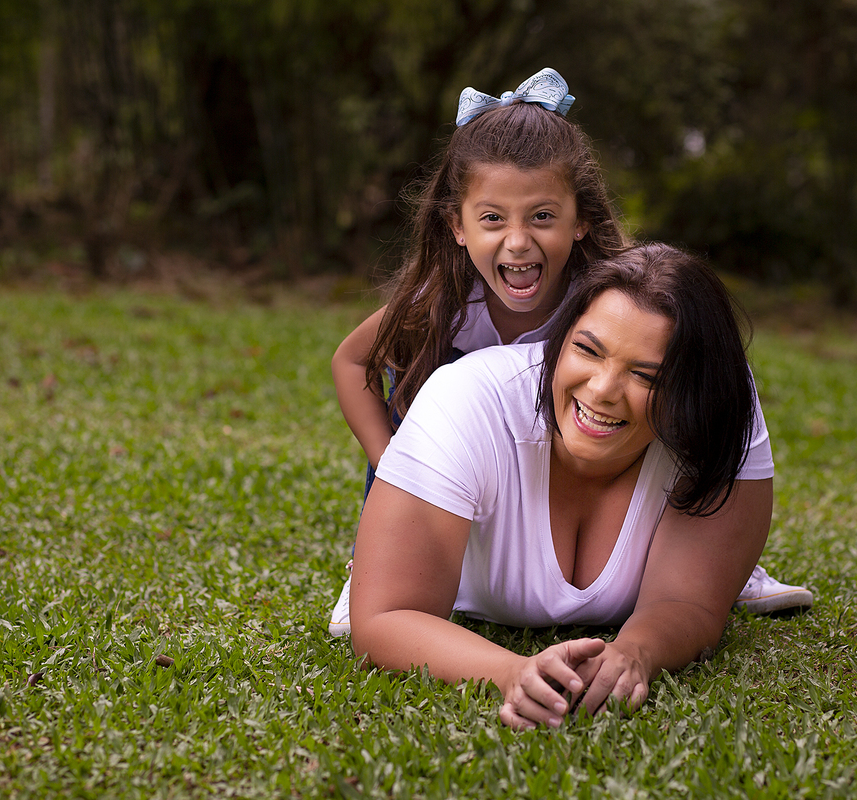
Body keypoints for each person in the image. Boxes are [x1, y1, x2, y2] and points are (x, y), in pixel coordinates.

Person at [329, 69, 810, 636]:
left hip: (580, 444)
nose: (517, 240)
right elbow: (352, 361)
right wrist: (388, 458)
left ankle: (728, 565)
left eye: (541, 216)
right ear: (456, 225)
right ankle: (374, 560)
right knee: (411, 410)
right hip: (463, 451)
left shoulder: (604, 298)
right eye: (491, 218)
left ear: (580, 220)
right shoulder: (442, 303)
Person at [351, 243, 777, 729]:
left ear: (693, 395)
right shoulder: (467, 401)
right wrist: (511, 672)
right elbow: (385, 616)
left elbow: (691, 602)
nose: (601, 390)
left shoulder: (723, 415)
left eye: (645, 375)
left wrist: (635, 652)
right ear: (560, 338)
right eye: (587, 350)